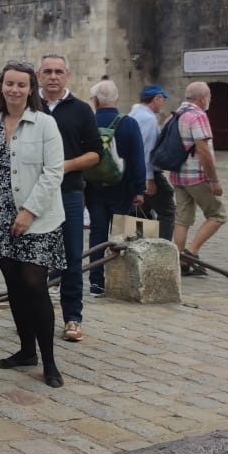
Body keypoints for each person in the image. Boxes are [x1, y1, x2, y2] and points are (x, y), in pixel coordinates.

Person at [0, 61, 66, 388]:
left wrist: (29, 211)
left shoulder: (45, 124)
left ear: (30, 89)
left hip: (37, 219)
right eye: (9, 84)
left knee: (34, 284)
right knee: (14, 284)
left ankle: (49, 360)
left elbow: (53, 172)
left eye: (21, 85)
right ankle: (27, 350)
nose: (14, 90)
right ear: (2, 87)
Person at [37, 54, 102, 344]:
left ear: (67, 75)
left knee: (72, 256)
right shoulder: (30, 106)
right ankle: (35, 315)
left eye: (58, 71)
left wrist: (64, 166)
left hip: (68, 192)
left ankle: (72, 317)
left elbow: (95, 153)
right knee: (34, 258)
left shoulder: (81, 110)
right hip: (34, 194)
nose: (53, 76)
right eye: (48, 71)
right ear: (39, 75)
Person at [83, 79, 147, 295]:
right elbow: (138, 159)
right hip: (123, 188)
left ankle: (96, 282)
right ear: (116, 99)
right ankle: (122, 280)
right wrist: (140, 190)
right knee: (124, 235)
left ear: (95, 101)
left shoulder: (89, 122)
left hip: (94, 188)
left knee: (97, 233)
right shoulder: (129, 124)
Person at [168, 82, 227, 272]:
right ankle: (191, 253)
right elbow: (203, 151)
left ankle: (179, 261)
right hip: (196, 177)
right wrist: (214, 181)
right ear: (202, 98)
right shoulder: (198, 116)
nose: (210, 100)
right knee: (217, 215)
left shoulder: (175, 115)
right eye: (209, 96)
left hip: (177, 175)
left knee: (182, 219)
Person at [128, 85, 175, 241]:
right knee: (167, 211)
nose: (162, 104)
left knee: (139, 211)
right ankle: (162, 248)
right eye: (162, 100)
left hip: (131, 171)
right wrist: (148, 178)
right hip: (146, 172)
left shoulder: (133, 113)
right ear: (156, 99)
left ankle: (137, 245)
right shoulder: (149, 119)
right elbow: (146, 149)